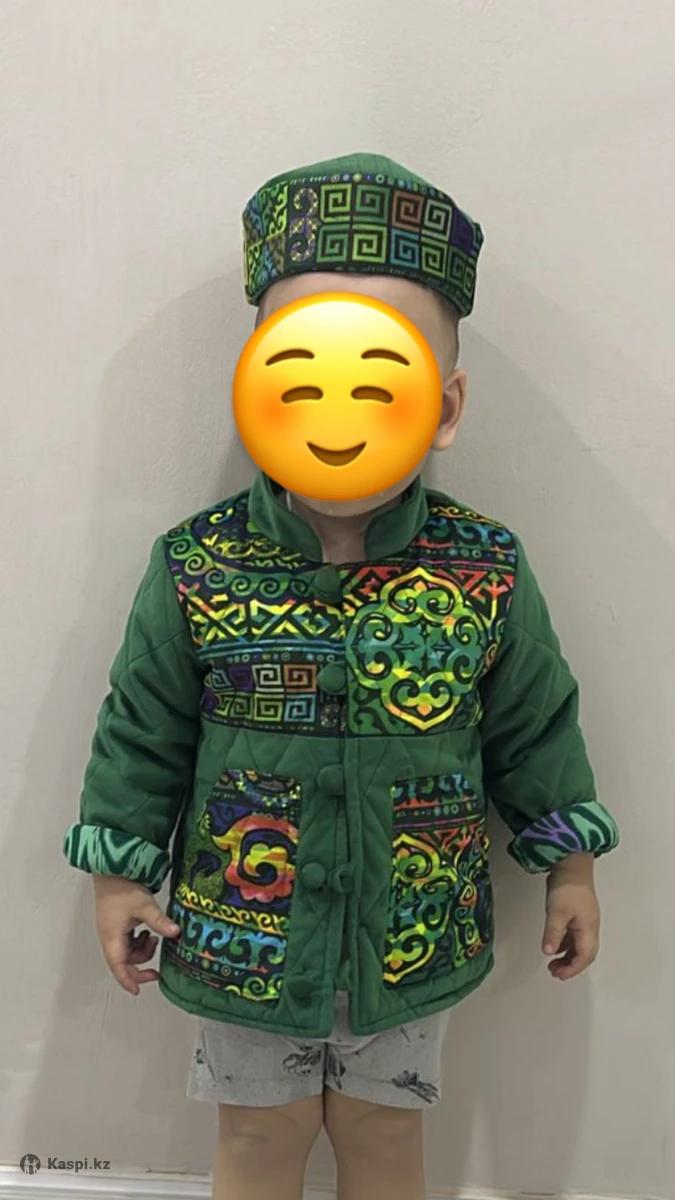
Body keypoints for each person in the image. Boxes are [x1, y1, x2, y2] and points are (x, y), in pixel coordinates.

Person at [63, 151, 620, 1200]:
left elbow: (535, 724)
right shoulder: (196, 565)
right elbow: (143, 727)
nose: (337, 412)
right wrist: (118, 875)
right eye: (302, 376)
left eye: (375, 382)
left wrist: (571, 868)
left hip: (411, 935)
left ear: (441, 407)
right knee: (256, 1142)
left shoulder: (484, 569)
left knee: (383, 1140)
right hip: (244, 931)